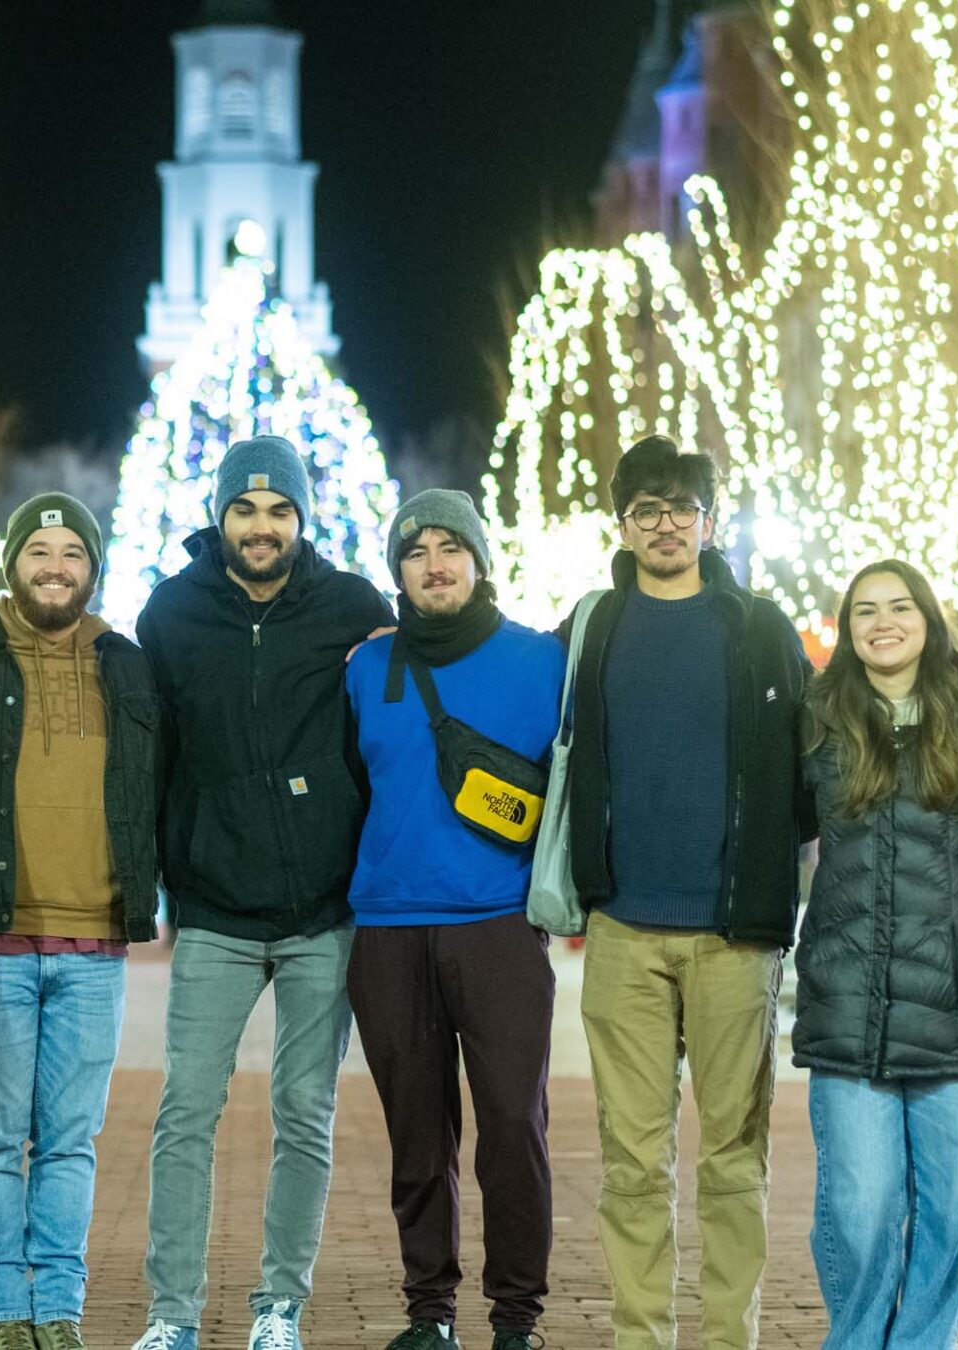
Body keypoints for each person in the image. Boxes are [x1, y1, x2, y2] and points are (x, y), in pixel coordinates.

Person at [130, 435, 394, 1350]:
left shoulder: (353, 606)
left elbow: (398, 717)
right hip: (214, 910)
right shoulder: (170, 614)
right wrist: (162, 875)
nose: (261, 527)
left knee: (304, 1115)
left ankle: (278, 1307)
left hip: (326, 910)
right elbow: (149, 753)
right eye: (244, 510)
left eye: (278, 510)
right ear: (219, 516)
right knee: (186, 1113)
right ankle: (173, 1316)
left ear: (301, 519)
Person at [558, 434, 811, 1350]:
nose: (664, 526)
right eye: (645, 511)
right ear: (621, 525)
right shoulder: (591, 626)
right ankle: (640, 1336)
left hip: (735, 935)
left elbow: (815, 759)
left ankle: (729, 1337)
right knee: (632, 1162)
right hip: (620, 927)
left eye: (681, 508)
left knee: (735, 1160)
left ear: (711, 518)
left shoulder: (759, 628)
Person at [0, 493, 160, 1350]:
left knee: (69, 1141)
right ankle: (0, 1312)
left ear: (94, 570)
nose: (55, 567)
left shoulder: (130, 667)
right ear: (11, 562)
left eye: (73, 554)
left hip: (96, 944)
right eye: (38, 550)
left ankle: (58, 1307)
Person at [794, 560, 958, 1350]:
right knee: (863, 1212)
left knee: (944, 1222)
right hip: (849, 1008)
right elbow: (765, 832)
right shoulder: (816, 720)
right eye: (865, 610)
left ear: (929, 619)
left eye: (899, 606)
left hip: (956, 1011)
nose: (883, 622)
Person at [342, 491, 564, 1350]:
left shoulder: (544, 660)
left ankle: (517, 1321)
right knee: (416, 1137)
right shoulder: (366, 668)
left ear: (479, 559)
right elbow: (356, 787)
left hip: (500, 926)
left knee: (514, 1127)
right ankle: (428, 1314)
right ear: (397, 571)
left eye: (450, 547)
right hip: (389, 930)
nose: (434, 564)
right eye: (415, 551)